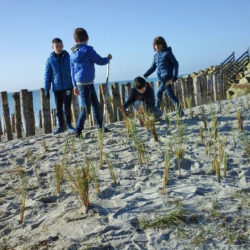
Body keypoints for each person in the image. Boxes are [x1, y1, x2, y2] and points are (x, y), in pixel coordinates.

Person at [70, 28, 112, 137]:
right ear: (87, 38)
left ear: (75, 40)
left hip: (83, 83)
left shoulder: (73, 54)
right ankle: (78, 130)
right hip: (86, 84)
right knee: (86, 108)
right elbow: (99, 61)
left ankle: (100, 126)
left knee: (95, 105)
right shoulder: (89, 50)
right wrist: (108, 59)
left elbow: (72, 71)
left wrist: (74, 85)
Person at [143, 36, 183, 115]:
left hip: (168, 77)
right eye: (155, 45)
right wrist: (146, 74)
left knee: (159, 93)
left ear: (163, 44)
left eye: (158, 44)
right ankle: (179, 111)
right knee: (170, 95)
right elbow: (153, 67)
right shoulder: (156, 56)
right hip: (161, 78)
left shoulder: (167, 53)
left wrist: (175, 75)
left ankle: (155, 111)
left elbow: (175, 63)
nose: (157, 46)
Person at [44, 38, 75, 135]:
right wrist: (47, 89)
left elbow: (74, 71)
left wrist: (76, 84)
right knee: (58, 108)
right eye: (57, 46)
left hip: (67, 87)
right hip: (57, 88)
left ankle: (69, 125)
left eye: (61, 46)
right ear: (52, 47)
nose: (59, 48)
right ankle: (61, 126)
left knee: (67, 107)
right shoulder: (50, 60)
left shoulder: (68, 57)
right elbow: (47, 75)